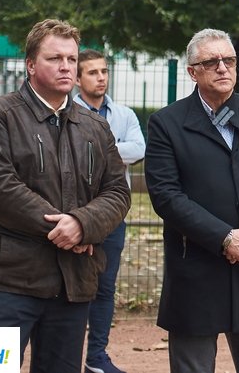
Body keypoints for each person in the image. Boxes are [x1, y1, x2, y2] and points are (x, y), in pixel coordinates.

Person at [0, 19, 131, 373]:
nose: (66, 67)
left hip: (73, 283)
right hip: (10, 279)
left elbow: (118, 191)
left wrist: (83, 223)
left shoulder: (94, 126)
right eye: (55, 58)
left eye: (71, 59)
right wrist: (63, 229)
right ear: (30, 65)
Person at [146, 29, 239, 373]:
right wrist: (224, 237)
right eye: (211, 61)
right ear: (192, 71)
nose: (222, 68)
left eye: (229, 60)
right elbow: (166, 196)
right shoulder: (167, 124)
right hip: (196, 268)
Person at [75, 49, 146, 373]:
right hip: (76, 218)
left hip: (114, 220)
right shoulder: (67, 113)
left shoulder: (125, 115)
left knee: (105, 290)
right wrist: (115, 148)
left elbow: (139, 149)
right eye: (92, 72)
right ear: (78, 79)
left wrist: (98, 147)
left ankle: (96, 357)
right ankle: (66, 356)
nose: (101, 77)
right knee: (72, 288)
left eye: (104, 71)